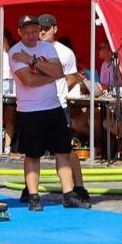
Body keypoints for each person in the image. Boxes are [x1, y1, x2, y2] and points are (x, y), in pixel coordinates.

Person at [10, 14, 86, 211]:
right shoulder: (15, 52)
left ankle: (68, 194)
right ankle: (34, 196)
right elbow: (30, 81)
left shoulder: (47, 48)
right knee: (33, 154)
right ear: (20, 33)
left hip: (53, 106)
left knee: (62, 151)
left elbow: (59, 72)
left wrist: (32, 61)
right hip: (30, 110)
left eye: (35, 31)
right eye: (27, 32)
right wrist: (50, 75)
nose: (32, 35)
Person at [38, 14, 91, 203]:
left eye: (46, 28)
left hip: (58, 105)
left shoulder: (65, 53)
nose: (42, 31)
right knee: (33, 150)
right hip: (36, 106)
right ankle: (31, 191)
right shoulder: (32, 49)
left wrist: (59, 90)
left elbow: (72, 77)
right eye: (40, 28)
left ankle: (78, 187)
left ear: (55, 29)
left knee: (64, 149)